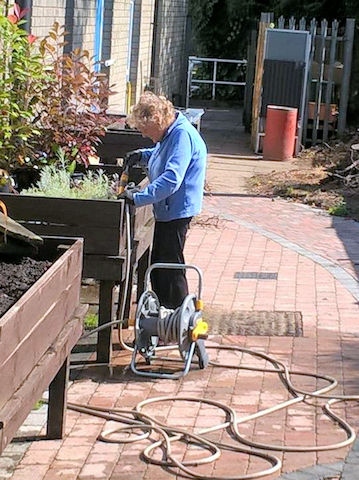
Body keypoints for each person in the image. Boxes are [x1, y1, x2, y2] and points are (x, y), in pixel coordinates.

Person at [120, 91, 207, 309]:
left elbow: (171, 180)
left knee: (169, 267)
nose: (143, 134)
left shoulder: (181, 136)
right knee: (160, 265)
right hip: (168, 210)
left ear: (156, 120)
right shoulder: (170, 132)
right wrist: (143, 155)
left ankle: (178, 317)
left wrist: (138, 198)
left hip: (176, 210)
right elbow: (162, 152)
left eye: (144, 129)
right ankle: (166, 316)